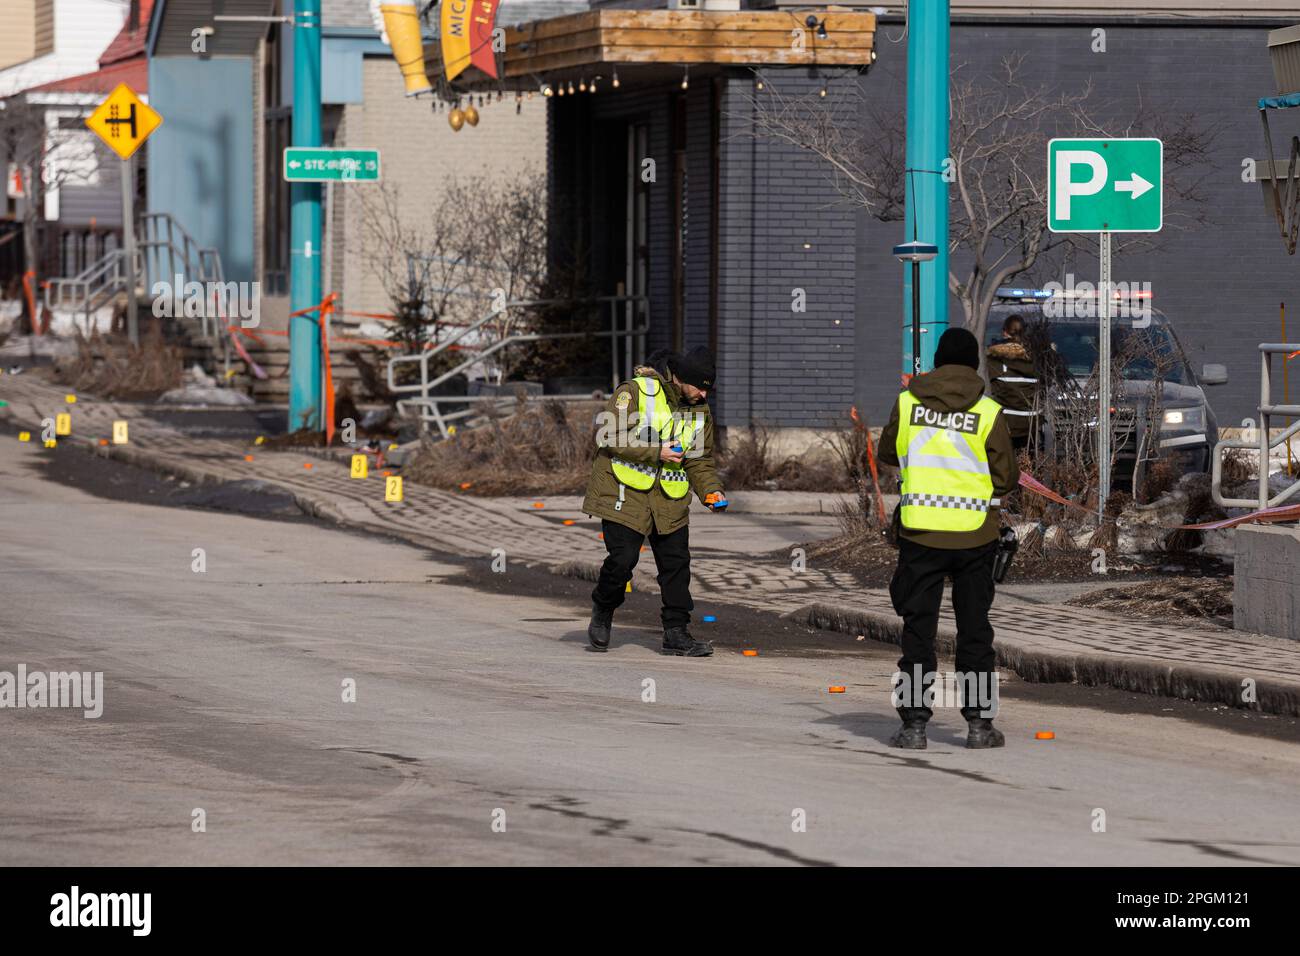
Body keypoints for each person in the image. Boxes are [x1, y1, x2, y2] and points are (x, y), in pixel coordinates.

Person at [877, 328, 1020, 750]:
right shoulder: (989, 411)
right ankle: (979, 725)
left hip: (921, 535)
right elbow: (1006, 478)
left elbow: (888, 452)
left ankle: (914, 726)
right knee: (975, 632)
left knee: (917, 632)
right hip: (976, 537)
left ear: (938, 362)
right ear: (974, 364)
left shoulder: (907, 403)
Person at [582, 346, 728, 657]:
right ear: (682, 378)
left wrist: (711, 492)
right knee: (622, 561)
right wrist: (656, 451)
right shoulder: (636, 392)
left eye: (708, 389)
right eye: (700, 387)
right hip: (625, 492)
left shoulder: (700, 411)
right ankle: (603, 610)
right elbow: (609, 436)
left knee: (676, 567)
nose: (704, 395)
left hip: (670, 498)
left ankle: (676, 633)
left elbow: (699, 460)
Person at [985, 314, 1039, 451]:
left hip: (1005, 425)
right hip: (1031, 425)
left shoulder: (995, 358)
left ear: (1004, 332)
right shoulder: (1036, 357)